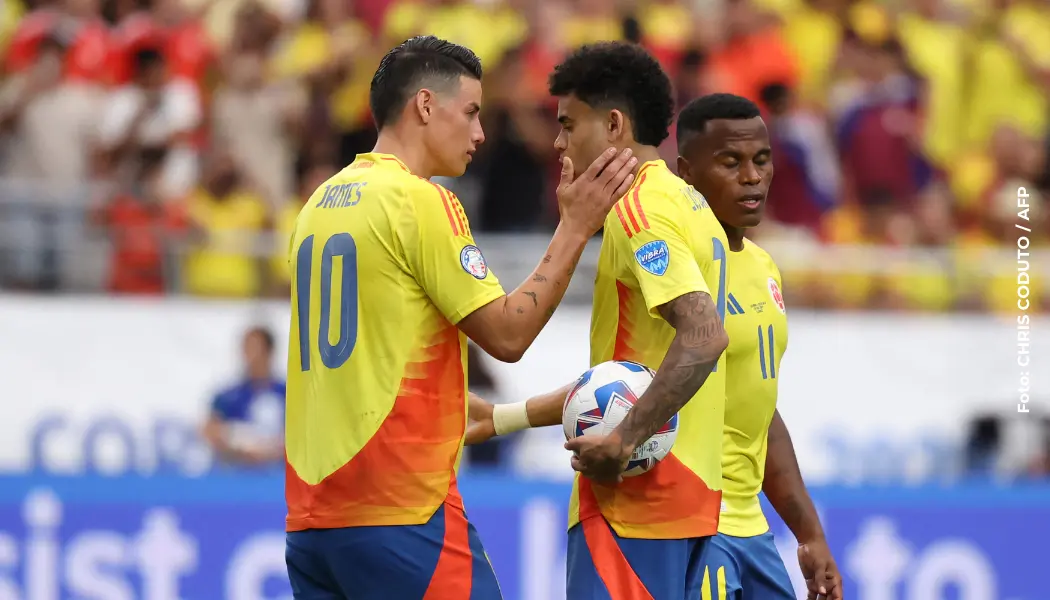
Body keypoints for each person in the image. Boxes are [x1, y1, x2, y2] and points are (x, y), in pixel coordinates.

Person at [283, 35, 638, 600]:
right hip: (402, 513)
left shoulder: (319, 204)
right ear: (425, 105)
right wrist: (574, 227)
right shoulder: (420, 200)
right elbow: (508, 333)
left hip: (311, 524)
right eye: (471, 113)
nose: (479, 134)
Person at [469, 42, 731, 599]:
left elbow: (704, 337)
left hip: (634, 506)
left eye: (568, 123)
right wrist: (504, 417)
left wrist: (624, 439)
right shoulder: (691, 205)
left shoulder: (640, 212)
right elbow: (630, 378)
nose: (558, 141)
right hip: (690, 507)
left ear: (613, 124)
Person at [676, 93, 841, 600]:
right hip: (695, 527)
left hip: (752, 529)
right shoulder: (679, 264)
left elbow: (761, 410)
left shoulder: (765, 267)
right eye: (731, 162)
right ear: (686, 172)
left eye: (761, 160)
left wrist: (809, 534)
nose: (752, 176)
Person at [200, 326, 286, 467]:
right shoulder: (228, 396)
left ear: (269, 351)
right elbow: (210, 430)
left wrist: (271, 452)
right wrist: (237, 445)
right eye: (246, 348)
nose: (249, 355)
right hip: (238, 474)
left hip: (279, 475)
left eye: (255, 348)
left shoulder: (287, 394)